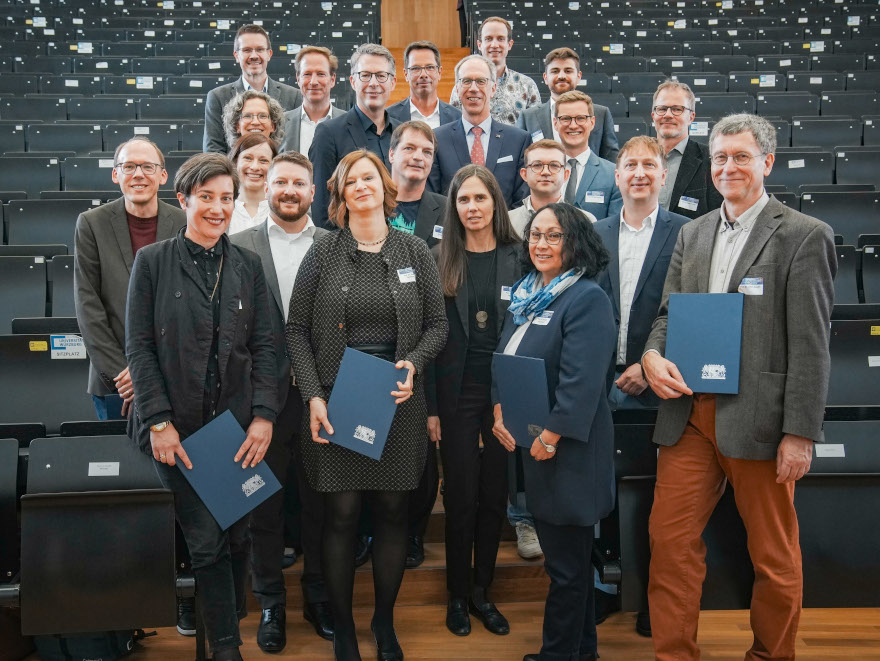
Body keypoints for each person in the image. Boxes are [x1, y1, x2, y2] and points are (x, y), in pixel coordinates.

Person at [641, 113, 837, 661]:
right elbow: (667, 316)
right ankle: (674, 654)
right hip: (690, 416)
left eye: (741, 156)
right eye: (721, 157)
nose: (728, 166)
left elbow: (812, 344)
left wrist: (799, 433)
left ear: (767, 163)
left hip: (761, 418)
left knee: (774, 555)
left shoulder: (804, 235)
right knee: (670, 544)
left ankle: (771, 655)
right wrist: (653, 354)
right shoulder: (692, 232)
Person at [286, 149, 448, 661]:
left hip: (397, 398)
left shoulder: (415, 251)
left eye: (369, 178)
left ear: (385, 187)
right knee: (340, 513)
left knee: (394, 510)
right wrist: (312, 394)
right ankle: (346, 630)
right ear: (339, 195)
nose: (361, 186)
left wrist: (414, 364)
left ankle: (383, 622)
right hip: (336, 398)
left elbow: (437, 326)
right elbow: (296, 330)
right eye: (350, 181)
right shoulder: (322, 251)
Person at [126, 152, 278, 661]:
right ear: (184, 199)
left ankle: (224, 626)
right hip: (177, 429)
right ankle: (227, 650)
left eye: (227, 199)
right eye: (206, 197)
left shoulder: (248, 266)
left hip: (233, 428)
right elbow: (139, 348)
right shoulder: (152, 262)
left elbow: (266, 347)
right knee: (207, 540)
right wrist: (159, 422)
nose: (217, 208)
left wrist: (263, 417)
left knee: (238, 536)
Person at [493, 202, 616, 661]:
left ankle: (557, 655)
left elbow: (581, 383)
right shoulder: (527, 294)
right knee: (571, 565)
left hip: (569, 451)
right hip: (534, 444)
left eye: (553, 236)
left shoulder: (586, 298)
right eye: (535, 235)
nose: (540, 244)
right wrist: (498, 410)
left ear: (575, 244)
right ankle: (583, 651)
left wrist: (550, 437)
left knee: (565, 569)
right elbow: (503, 360)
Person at [230, 151, 333, 652]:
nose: (289, 190)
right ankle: (270, 603)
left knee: (320, 506)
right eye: (280, 182)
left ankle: (318, 596)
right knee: (262, 508)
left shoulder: (336, 246)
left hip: (323, 400)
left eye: (299, 183)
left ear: (314, 192)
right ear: (265, 188)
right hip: (259, 404)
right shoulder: (237, 245)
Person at [427, 164, 521, 639]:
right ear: (454, 207)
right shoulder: (437, 258)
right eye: (464, 200)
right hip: (456, 394)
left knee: (494, 498)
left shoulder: (520, 256)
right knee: (461, 499)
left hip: (504, 395)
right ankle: (457, 596)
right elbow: (424, 338)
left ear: (495, 203)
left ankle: (483, 592)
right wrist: (431, 409)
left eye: (480, 199)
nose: (472, 208)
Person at [74, 137, 185, 422]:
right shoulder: (91, 224)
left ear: (163, 175)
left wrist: (151, 374)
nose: (138, 174)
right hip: (116, 383)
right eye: (129, 166)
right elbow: (88, 306)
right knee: (118, 465)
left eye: (147, 167)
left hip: (174, 379)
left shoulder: (184, 222)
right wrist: (124, 372)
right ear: (116, 174)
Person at [595, 136, 690, 411]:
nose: (639, 174)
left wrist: (649, 367)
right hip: (597, 382)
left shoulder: (687, 233)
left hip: (658, 386)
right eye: (630, 165)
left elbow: (685, 311)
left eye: (648, 165)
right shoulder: (594, 234)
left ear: (663, 176)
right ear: (617, 176)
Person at [309, 43, 402, 229]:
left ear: (392, 82)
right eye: (365, 75)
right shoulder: (328, 133)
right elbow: (321, 208)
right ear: (353, 81)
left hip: (398, 244)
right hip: (348, 247)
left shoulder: (402, 134)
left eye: (381, 76)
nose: (373, 83)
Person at [428, 55, 530, 208]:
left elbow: (522, 199)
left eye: (481, 81)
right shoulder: (437, 139)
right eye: (466, 81)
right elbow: (434, 198)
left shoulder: (518, 140)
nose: (473, 88)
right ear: (457, 88)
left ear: (493, 89)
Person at [203, 24, 302, 153]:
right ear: (236, 55)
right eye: (247, 50)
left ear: (269, 54)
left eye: (260, 49)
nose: (254, 56)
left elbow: (294, 147)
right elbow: (213, 150)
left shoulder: (294, 96)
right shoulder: (217, 97)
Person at [516, 48, 619, 163]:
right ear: (545, 77)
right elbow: (520, 160)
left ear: (579, 76)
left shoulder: (601, 113)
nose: (561, 76)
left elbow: (611, 159)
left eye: (568, 71)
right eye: (555, 71)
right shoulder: (528, 117)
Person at [651, 79, 723, 219]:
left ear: (691, 117)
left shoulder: (711, 160)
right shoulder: (638, 158)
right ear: (653, 115)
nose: (668, 115)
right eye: (662, 109)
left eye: (677, 109)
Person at [449, 16, 540, 125]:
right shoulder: (463, 85)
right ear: (479, 45)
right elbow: (453, 125)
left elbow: (536, 128)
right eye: (488, 39)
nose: (494, 45)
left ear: (509, 44)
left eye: (501, 39)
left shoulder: (527, 85)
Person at [554, 91, 622, 220]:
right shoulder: (542, 171)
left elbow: (614, 227)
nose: (573, 125)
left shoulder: (613, 175)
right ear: (555, 123)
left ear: (592, 122)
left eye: (580, 118)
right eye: (566, 118)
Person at [509, 139, 597, 239]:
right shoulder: (507, 222)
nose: (545, 172)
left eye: (554, 165)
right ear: (524, 174)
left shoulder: (585, 221)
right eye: (537, 165)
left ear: (566, 175)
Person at [388, 120, 447, 247]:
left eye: (427, 152)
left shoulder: (448, 210)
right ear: (391, 154)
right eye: (409, 148)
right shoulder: (369, 202)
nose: (418, 157)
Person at [279, 46, 345, 155]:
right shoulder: (280, 124)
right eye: (307, 74)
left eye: (321, 74)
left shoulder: (349, 124)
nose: (313, 82)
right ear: (298, 79)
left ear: (332, 80)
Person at [386, 41, 461, 128]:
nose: (423, 75)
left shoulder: (458, 118)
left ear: (439, 72)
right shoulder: (389, 117)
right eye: (416, 68)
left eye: (430, 67)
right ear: (406, 74)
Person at [227, 133, 277, 235]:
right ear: (236, 162)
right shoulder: (221, 208)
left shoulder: (281, 210)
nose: (255, 167)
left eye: (263, 160)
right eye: (248, 158)